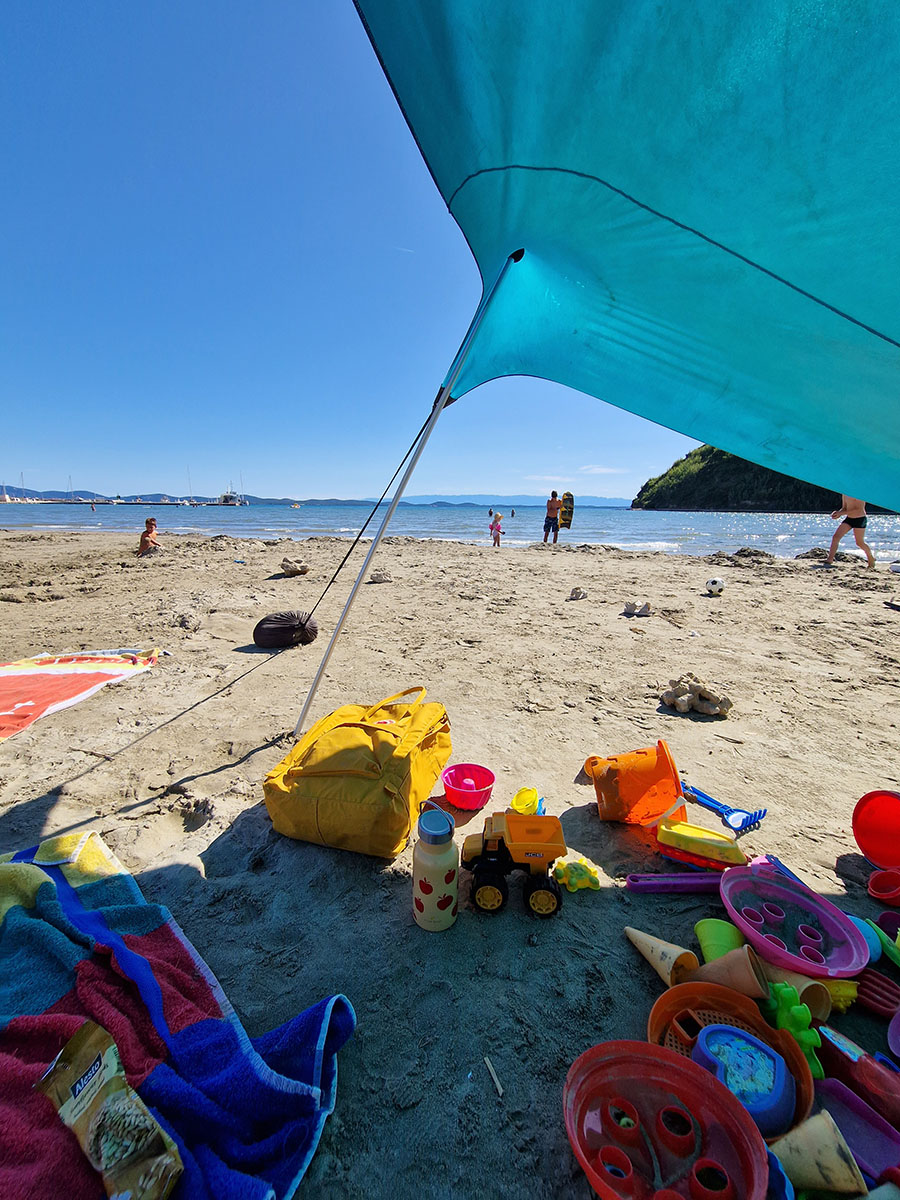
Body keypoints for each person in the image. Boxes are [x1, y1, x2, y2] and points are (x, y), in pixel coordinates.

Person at [826, 496, 876, 568]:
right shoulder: (845, 494)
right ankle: (830, 559)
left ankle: (871, 558)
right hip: (849, 519)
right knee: (836, 537)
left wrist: (841, 513)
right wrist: (838, 513)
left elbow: (858, 510)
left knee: (859, 543)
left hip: (860, 519)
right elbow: (844, 508)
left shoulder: (859, 494)